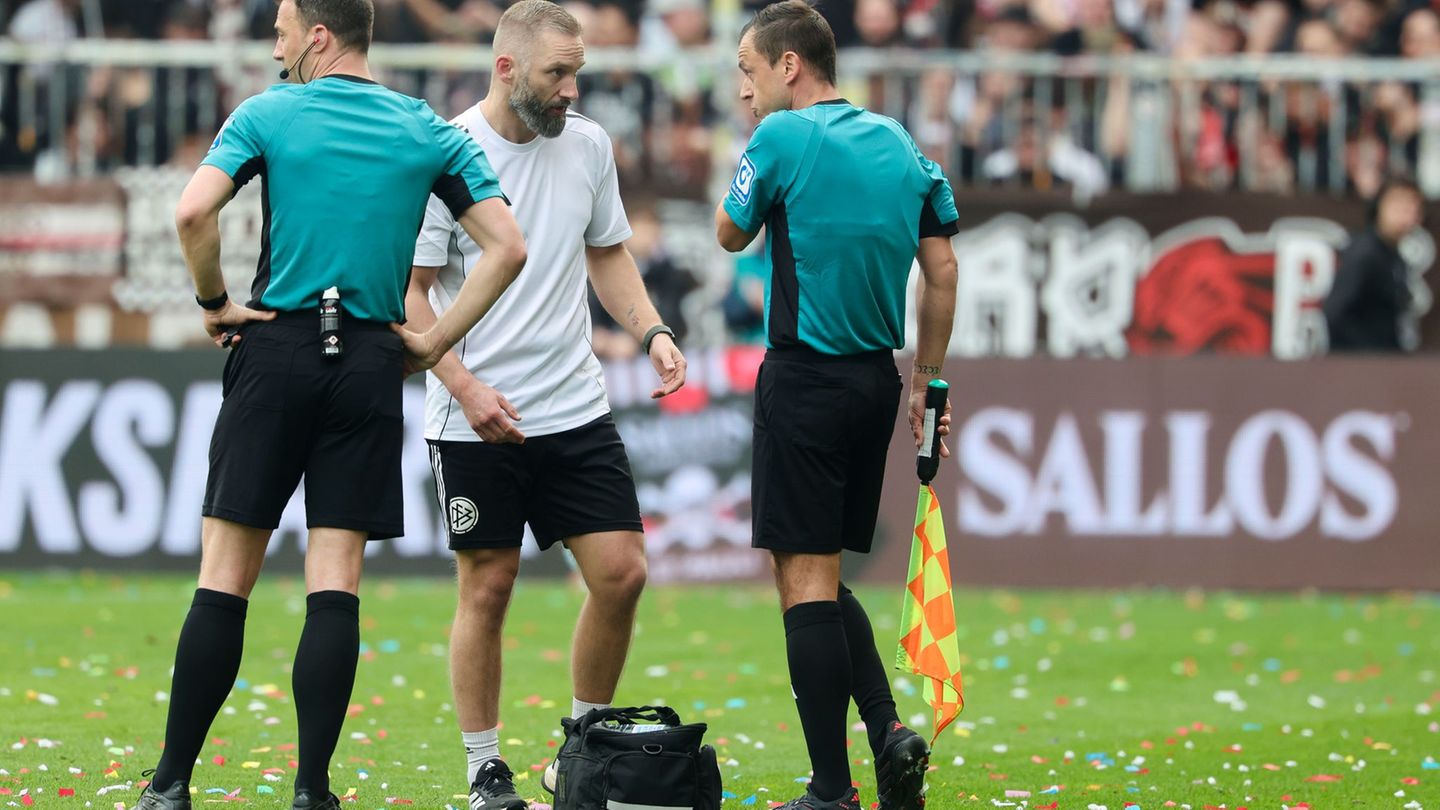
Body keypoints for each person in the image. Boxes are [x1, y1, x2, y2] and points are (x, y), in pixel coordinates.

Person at [138, 2, 528, 809]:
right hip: (367, 362)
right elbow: (507, 246)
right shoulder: (424, 126)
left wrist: (213, 299)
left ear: (319, 34)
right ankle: (312, 790)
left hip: (276, 349)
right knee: (335, 581)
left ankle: (170, 785)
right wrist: (430, 341)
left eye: (282, 28)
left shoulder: (268, 112)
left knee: (224, 577)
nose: (274, 44)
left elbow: (191, 211)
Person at [402, 2, 686, 808]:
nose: (571, 89)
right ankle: (485, 768)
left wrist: (654, 330)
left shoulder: (589, 146)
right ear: (507, 69)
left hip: (575, 406)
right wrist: (464, 387)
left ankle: (583, 750)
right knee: (487, 588)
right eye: (557, 74)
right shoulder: (447, 155)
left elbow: (608, 256)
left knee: (623, 574)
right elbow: (412, 296)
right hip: (473, 415)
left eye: (577, 73)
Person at [713, 2, 959, 809]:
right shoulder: (898, 141)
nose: (744, 93)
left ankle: (830, 788)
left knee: (805, 582)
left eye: (749, 71)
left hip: (806, 379)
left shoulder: (783, 137)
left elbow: (727, 232)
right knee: (817, 574)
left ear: (790, 66)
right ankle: (890, 736)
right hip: (876, 385)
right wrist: (928, 379)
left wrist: (753, 168)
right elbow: (944, 269)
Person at [1324, 174, 1425, 352]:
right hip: (1362, 368)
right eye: (1398, 204)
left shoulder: (1395, 257)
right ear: (1380, 206)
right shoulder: (1365, 253)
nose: (1406, 213)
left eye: (1412, 206)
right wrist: (1370, 357)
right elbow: (1335, 312)